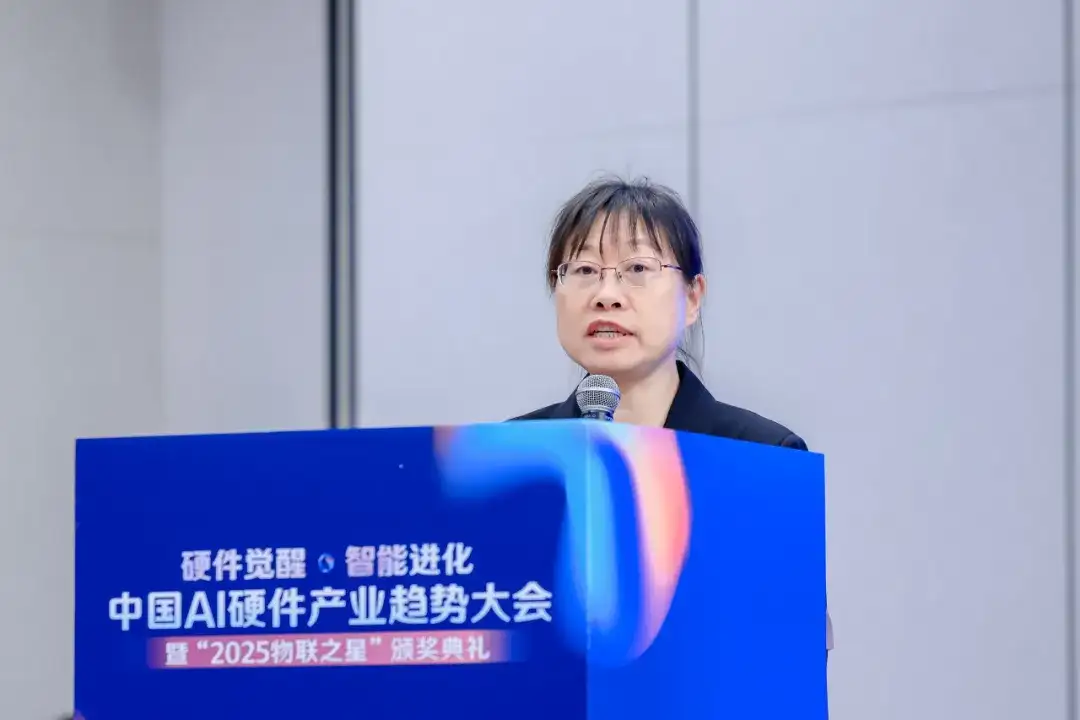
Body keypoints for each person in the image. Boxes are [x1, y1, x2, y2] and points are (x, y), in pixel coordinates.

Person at [512, 176, 832, 658]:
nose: (606, 294)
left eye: (638, 268)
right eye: (583, 270)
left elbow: (789, 651)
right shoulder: (514, 455)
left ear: (693, 297)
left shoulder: (761, 458)